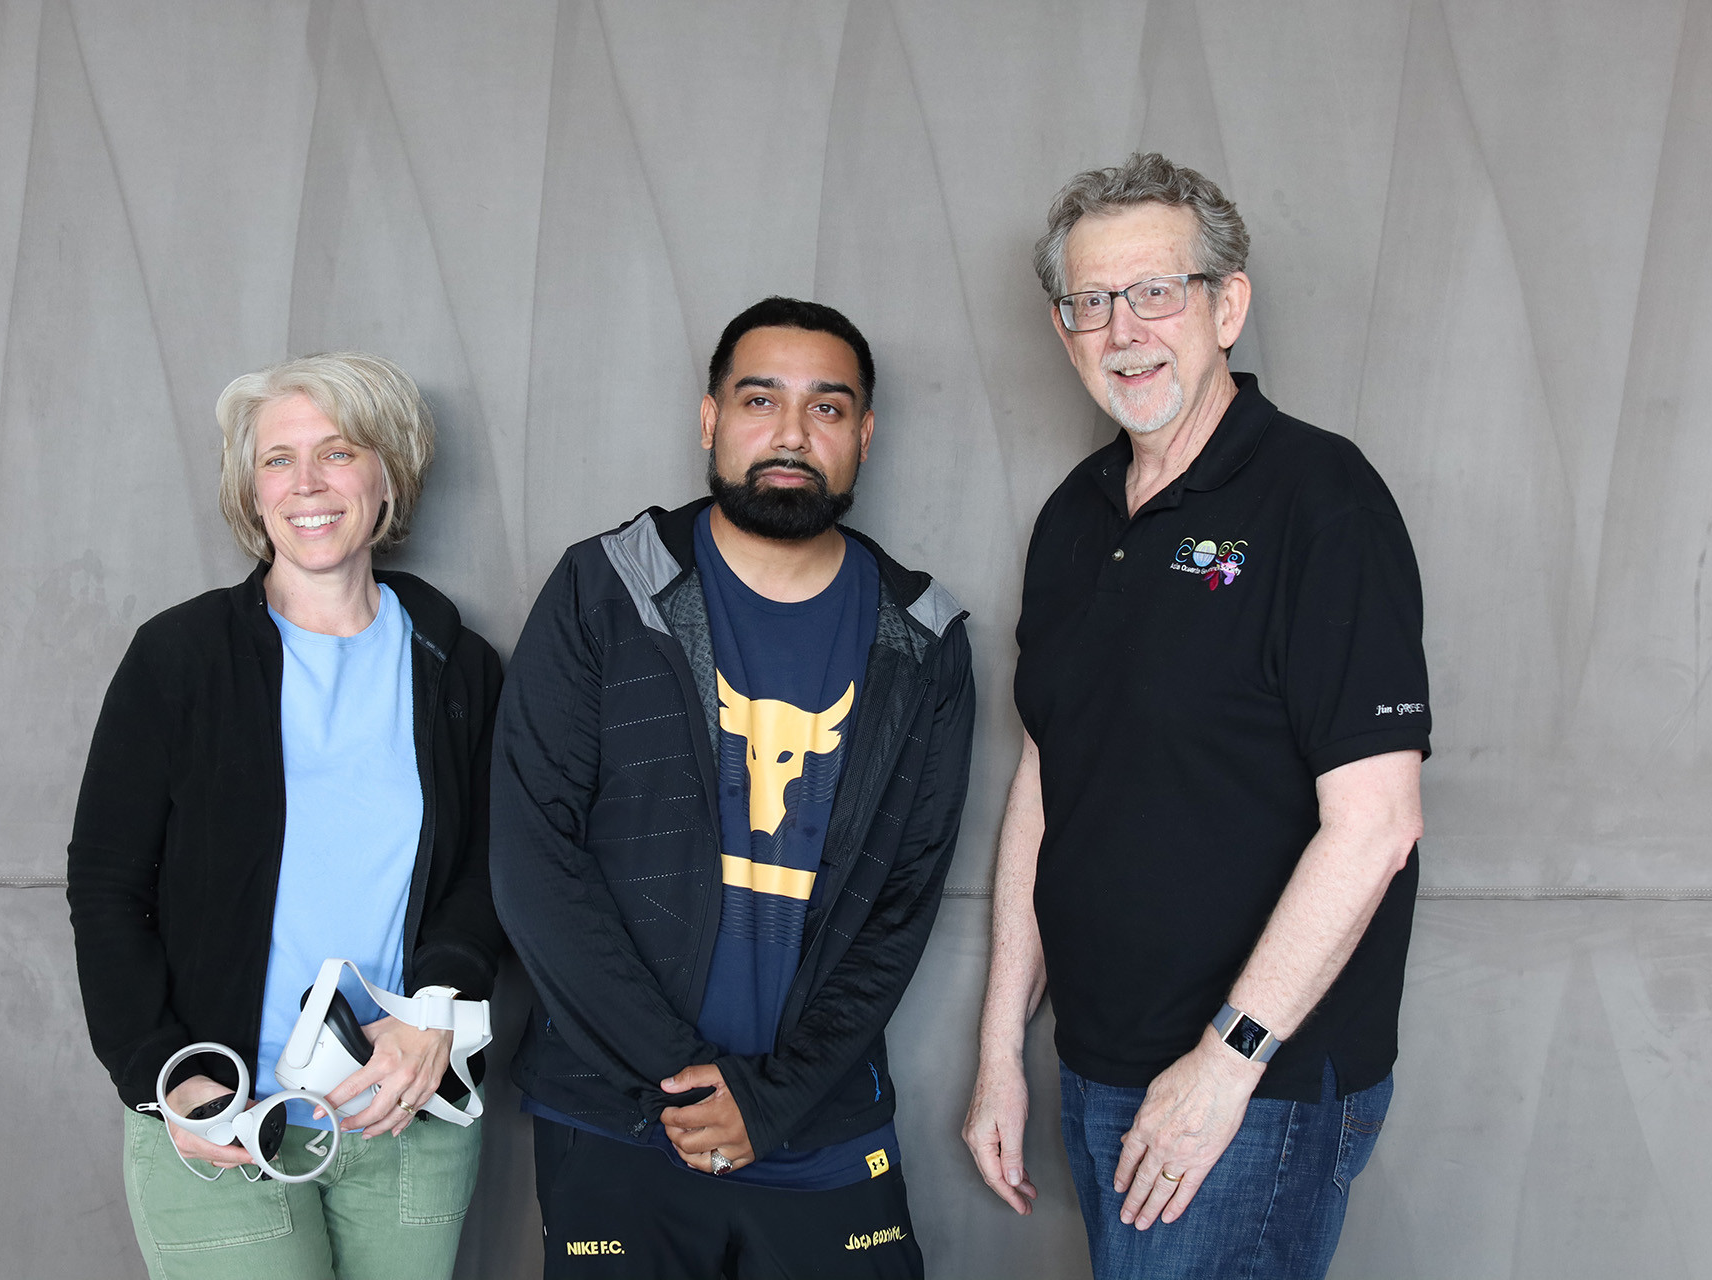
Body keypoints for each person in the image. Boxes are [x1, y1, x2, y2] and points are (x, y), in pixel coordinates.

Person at [962, 155, 1430, 1279]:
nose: (1124, 330)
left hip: (1253, 1088)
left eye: (1156, 291)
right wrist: (1001, 1049)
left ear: (1228, 306)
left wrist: (1226, 1064)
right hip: (1097, 1063)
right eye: (1091, 301)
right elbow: (1048, 776)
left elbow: (1376, 823)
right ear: (1065, 330)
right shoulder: (1074, 519)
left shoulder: (1322, 497)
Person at [490, 297, 976, 1279]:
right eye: (760, 400)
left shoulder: (922, 637)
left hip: (816, 1118)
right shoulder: (607, 589)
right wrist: (682, 1081)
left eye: (827, 407)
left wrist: (771, 1098)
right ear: (710, 419)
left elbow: (901, 903)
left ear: (864, 435)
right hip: (620, 1115)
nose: (791, 432)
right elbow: (534, 857)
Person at [66, 352, 506, 1279]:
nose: (306, 483)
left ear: (388, 476)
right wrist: (167, 1075)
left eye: (337, 452)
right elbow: (106, 886)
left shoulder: (456, 667)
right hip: (223, 1115)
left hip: (406, 1111)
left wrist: (437, 1007)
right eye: (278, 459)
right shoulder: (181, 657)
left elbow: (489, 866)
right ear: (251, 488)